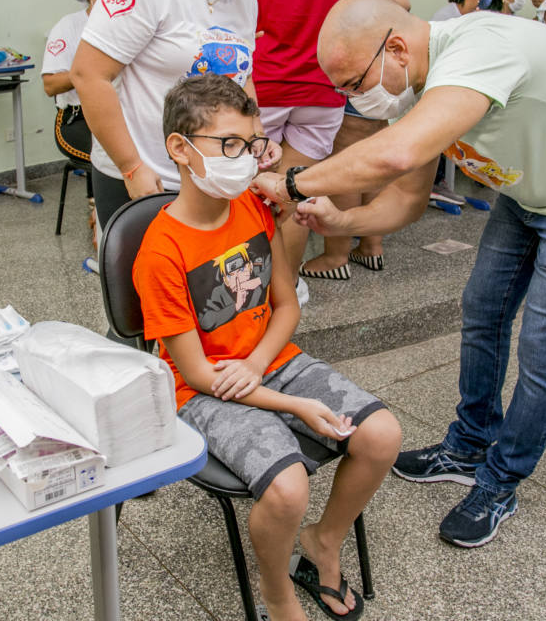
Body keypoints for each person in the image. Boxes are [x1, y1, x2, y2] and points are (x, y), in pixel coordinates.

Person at [253, 0, 546, 548]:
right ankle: (469, 443)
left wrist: (294, 181)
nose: (350, 99)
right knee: (484, 306)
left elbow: (395, 156)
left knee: (543, 343)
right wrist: (342, 217)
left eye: (351, 84)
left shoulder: (477, 49)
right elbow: (408, 198)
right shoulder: (415, 88)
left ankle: (501, 479)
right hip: (532, 186)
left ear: (396, 47)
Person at [133, 74, 400, 620]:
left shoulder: (253, 208)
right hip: (201, 390)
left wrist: (258, 364)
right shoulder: (160, 253)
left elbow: (287, 306)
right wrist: (294, 404)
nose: (245, 159)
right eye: (228, 146)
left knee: (381, 435)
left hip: (265, 361)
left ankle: (322, 541)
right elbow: (199, 376)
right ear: (181, 149)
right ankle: (276, 591)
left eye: (251, 145)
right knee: (286, 488)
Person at [71, 0, 289, 233]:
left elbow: (240, 75)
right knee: (140, 283)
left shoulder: (245, 0)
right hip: (145, 174)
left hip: (208, 173)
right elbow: (88, 75)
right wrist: (132, 167)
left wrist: (256, 137)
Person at [250, 0, 408, 284]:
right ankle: (287, 289)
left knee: (253, 195)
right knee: (295, 194)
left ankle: (250, 294)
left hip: (265, 88)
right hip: (323, 94)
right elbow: (401, 3)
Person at [319, 0, 407, 284]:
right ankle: (371, 245)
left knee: (348, 155)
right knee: (374, 153)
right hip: (391, 64)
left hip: (364, 59)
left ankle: (335, 254)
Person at [42, 0, 122, 245]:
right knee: (114, 152)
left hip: (118, 111)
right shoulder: (70, 27)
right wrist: (85, 73)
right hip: (76, 118)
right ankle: (104, 222)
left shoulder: (129, 26)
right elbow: (49, 84)